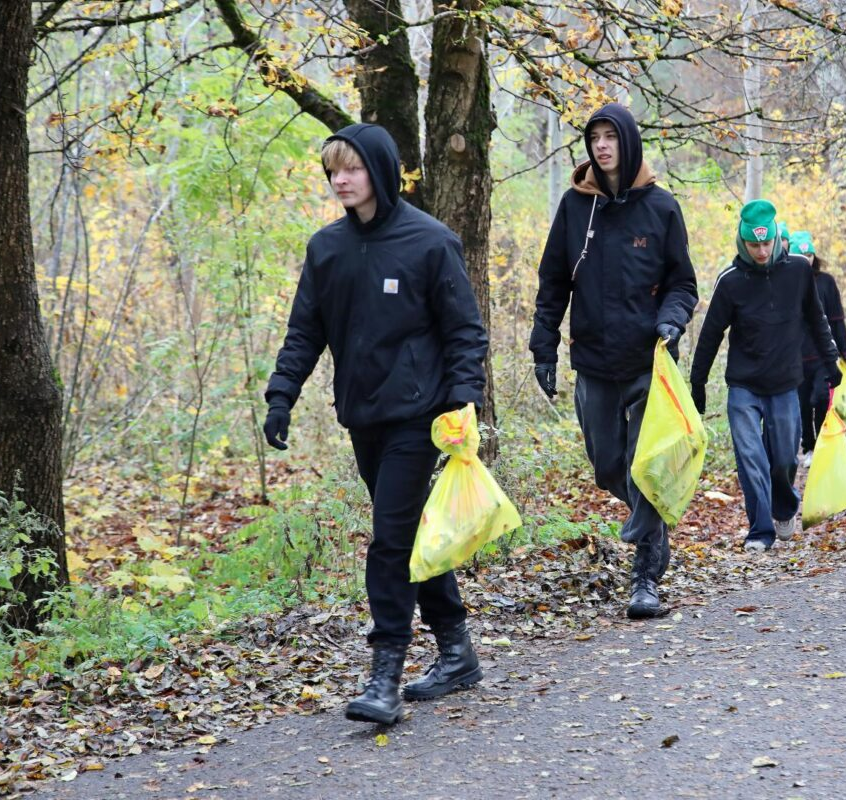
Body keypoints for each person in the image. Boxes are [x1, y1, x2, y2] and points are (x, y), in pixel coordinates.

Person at [263, 123, 490, 725]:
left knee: (389, 541)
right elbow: (305, 330)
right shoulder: (327, 248)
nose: (340, 178)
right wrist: (281, 395)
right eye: (333, 169)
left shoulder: (429, 241)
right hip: (363, 414)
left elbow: (464, 329)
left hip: (421, 415)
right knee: (410, 534)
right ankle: (457, 651)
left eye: (353, 168)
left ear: (381, 172)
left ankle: (384, 676)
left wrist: (463, 399)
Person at [529, 103, 698, 619]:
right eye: (595, 137)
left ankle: (645, 574)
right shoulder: (575, 207)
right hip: (594, 361)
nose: (602, 146)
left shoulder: (661, 208)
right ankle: (655, 528)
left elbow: (683, 284)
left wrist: (671, 319)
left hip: (649, 360)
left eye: (611, 137)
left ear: (628, 143)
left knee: (644, 464)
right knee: (607, 467)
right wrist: (544, 348)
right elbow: (553, 283)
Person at [689, 201, 841, 551]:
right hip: (743, 386)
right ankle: (760, 530)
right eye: (753, 245)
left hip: (786, 382)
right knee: (751, 458)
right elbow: (711, 333)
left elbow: (817, 319)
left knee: (785, 459)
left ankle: (784, 507)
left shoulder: (798, 273)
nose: (761, 251)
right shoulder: (730, 282)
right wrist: (697, 382)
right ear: (742, 243)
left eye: (766, 243)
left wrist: (831, 362)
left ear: (775, 238)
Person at [787, 229, 846, 465]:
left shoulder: (826, 282)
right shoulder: (787, 283)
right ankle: (809, 447)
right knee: (803, 403)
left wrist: (844, 352)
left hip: (823, 355)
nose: (807, 261)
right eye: (802, 257)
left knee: (821, 397)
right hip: (797, 357)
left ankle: (824, 441)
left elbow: (836, 319)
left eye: (810, 256)